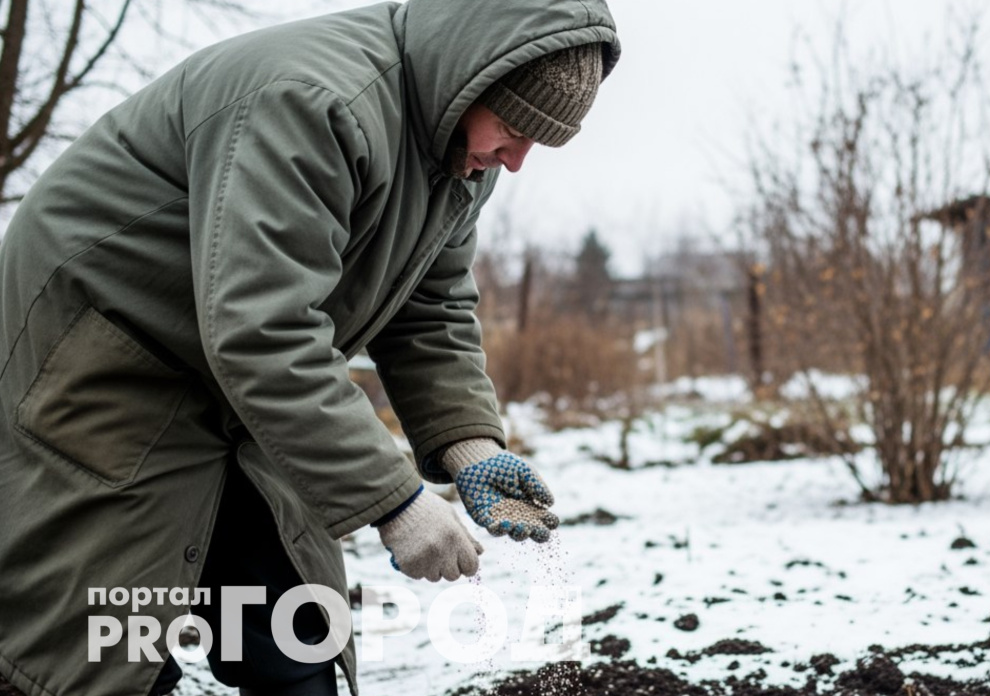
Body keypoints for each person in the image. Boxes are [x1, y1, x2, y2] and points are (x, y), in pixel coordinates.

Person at [0, 0, 620, 694]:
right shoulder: (311, 103)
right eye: (511, 129)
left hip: (236, 387)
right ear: (469, 79)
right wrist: (394, 501)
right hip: (108, 368)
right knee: (114, 649)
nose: (516, 159)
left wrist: (468, 443)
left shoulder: (459, 152)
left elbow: (430, 306)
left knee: (298, 640)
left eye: (537, 140)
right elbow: (263, 329)